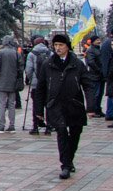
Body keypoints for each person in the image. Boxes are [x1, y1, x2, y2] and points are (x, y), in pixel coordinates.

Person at [35, 33, 91, 179]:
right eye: (56, 45)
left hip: (74, 104)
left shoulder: (77, 64)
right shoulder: (48, 64)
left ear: (67, 47)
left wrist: (91, 106)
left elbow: (88, 85)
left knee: (75, 132)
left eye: (61, 45)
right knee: (61, 132)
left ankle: (69, 159)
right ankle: (65, 165)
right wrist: (39, 110)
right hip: (56, 104)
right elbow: (40, 88)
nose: (58, 48)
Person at [0, 35, 22, 132]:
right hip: (13, 82)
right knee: (11, 105)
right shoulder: (16, 53)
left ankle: (1, 125)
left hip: (1, 81)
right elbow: (21, 68)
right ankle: (12, 125)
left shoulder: (0, 53)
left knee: (2, 105)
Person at [25, 37, 52, 134]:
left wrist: (32, 80)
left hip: (36, 85)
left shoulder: (31, 54)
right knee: (48, 105)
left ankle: (35, 127)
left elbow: (28, 69)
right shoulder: (50, 53)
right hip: (49, 84)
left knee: (36, 105)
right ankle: (48, 127)